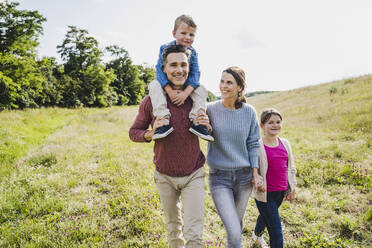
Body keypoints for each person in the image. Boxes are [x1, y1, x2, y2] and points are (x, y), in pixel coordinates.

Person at [129, 44, 211, 248]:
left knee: (194, 233)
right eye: (173, 65)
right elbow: (133, 132)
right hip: (164, 175)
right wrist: (151, 132)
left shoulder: (197, 99)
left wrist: (208, 127)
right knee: (173, 229)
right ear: (163, 69)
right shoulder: (151, 101)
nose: (179, 69)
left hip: (194, 173)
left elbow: (212, 134)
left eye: (183, 65)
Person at [206, 66, 262, 248]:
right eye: (222, 81)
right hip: (219, 177)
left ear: (240, 87)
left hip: (244, 177)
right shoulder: (210, 110)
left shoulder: (249, 112)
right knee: (233, 228)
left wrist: (255, 174)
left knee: (236, 224)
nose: (223, 86)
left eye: (229, 82)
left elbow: (253, 143)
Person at [148, 14, 213, 142]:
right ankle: (163, 121)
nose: (188, 38)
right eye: (184, 33)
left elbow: (195, 75)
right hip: (167, 83)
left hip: (186, 86)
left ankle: (197, 121)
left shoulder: (193, 53)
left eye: (191, 35)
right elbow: (160, 71)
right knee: (154, 85)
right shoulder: (164, 48)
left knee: (201, 89)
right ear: (174, 33)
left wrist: (185, 93)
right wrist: (169, 91)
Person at [252, 108, 297, 248]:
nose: (275, 125)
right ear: (262, 126)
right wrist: (257, 179)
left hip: (280, 192)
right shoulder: (257, 146)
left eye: (278, 122)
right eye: (270, 122)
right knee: (276, 231)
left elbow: (291, 168)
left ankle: (256, 235)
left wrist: (292, 188)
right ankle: (261, 237)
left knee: (267, 216)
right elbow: (252, 169)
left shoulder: (285, 143)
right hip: (265, 194)